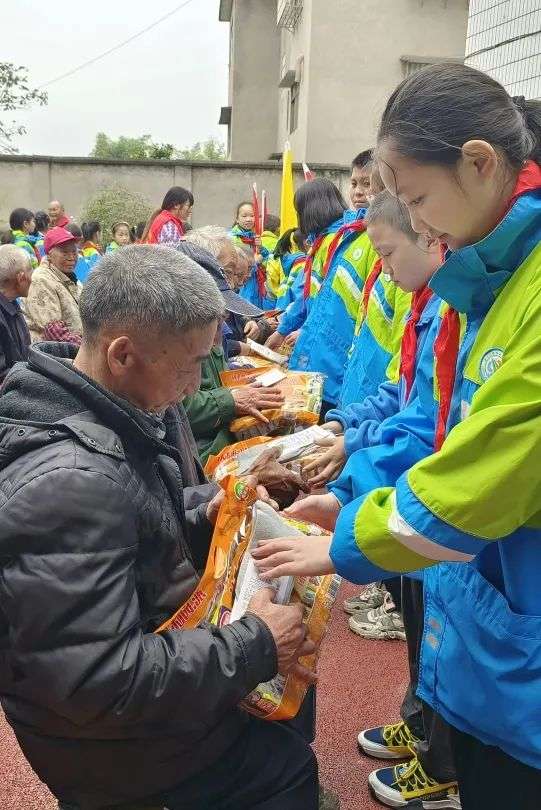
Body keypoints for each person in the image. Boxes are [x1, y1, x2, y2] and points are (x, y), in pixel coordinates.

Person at [252, 62, 541, 810]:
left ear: (478, 163)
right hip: (489, 604)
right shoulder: (489, 280)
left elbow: (485, 474)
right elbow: (433, 417)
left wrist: (343, 543)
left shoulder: (519, 285)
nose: (418, 225)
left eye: (416, 200)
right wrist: (349, 489)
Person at [0, 244, 319, 810]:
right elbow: (97, 681)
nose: (197, 385)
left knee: (289, 723)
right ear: (122, 354)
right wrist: (255, 643)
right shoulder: (71, 482)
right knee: (286, 768)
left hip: (118, 719)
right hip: (115, 751)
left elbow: (137, 529)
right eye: (191, 364)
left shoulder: (102, 414)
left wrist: (209, 513)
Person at [276, 178, 378, 412]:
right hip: (325, 351)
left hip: (334, 354)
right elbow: (311, 299)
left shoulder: (345, 240)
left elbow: (324, 304)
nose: (359, 193)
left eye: (366, 184)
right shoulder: (332, 239)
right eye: (354, 184)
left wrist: (288, 330)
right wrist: (285, 328)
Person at [23, 226, 82, 344]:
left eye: (74, 252)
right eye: (65, 252)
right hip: (51, 351)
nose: (71, 257)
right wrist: (89, 348)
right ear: (49, 254)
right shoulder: (41, 280)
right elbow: (54, 332)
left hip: (75, 345)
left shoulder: (70, 277)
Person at [0, 245, 32, 383]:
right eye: (30, 270)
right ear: (21, 278)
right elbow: (3, 376)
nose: (32, 278)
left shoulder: (12, 303)